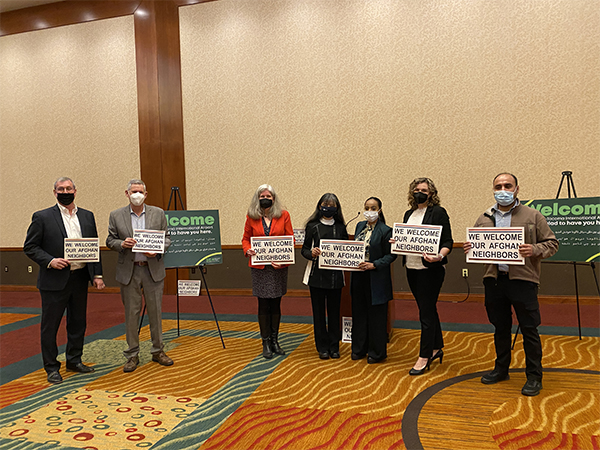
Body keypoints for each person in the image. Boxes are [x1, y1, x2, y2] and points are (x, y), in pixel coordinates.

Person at [463, 173, 558, 396]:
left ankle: (534, 376)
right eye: (498, 186)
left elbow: (552, 243)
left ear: (516, 189)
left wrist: (534, 250)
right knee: (500, 327)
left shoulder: (533, 215)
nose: (503, 189)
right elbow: (477, 244)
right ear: (493, 189)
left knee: (529, 329)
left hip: (523, 281)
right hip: (494, 281)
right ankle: (501, 369)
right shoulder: (484, 217)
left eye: (508, 185)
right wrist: (471, 248)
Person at [24, 177, 105, 384]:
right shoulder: (42, 217)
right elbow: (30, 247)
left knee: (78, 323)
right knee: (50, 326)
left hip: (79, 278)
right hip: (53, 280)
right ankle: (51, 367)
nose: (65, 191)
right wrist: (50, 261)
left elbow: (93, 247)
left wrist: (97, 275)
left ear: (75, 191)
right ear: (54, 192)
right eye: (61, 189)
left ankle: (74, 360)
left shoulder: (87, 216)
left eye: (69, 188)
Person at [106, 179, 173, 373]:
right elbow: (110, 240)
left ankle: (158, 351)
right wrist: (121, 244)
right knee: (131, 315)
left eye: (140, 191)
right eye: (133, 191)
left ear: (146, 194)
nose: (137, 194)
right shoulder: (116, 215)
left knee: (156, 313)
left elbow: (167, 238)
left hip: (152, 269)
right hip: (129, 270)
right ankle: (132, 355)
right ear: (127, 194)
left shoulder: (158, 213)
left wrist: (158, 250)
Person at [401, 178, 453, 375]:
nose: (419, 192)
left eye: (424, 190)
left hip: (431, 270)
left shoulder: (438, 212)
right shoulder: (409, 213)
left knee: (425, 312)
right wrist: (398, 241)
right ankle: (436, 346)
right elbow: (408, 238)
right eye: (416, 189)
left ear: (431, 193)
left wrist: (439, 255)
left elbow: (447, 240)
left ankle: (424, 356)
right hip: (411, 268)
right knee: (428, 308)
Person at [242, 184, 293, 359]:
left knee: (276, 304)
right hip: (260, 268)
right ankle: (265, 342)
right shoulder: (251, 217)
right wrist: (247, 250)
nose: (266, 199)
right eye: (262, 196)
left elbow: (290, 239)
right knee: (263, 304)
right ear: (257, 199)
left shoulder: (284, 215)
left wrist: (283, 259)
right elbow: (245, 239)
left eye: (269, 196)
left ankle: (275, 340)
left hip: (278, 268)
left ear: (274, 198)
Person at [301, 193, 349, 359]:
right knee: (319, 313)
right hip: (316, 276)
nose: (328, 207)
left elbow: (345, 251)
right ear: (319, 205)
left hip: (336, 277)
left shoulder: (342, 227)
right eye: (325, 204)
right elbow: (304, 249)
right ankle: (322, 347)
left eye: (331, 205)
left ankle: (334, 346)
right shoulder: (312, 226)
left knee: (334, 313)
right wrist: (312, 253)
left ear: (337, 208)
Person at [351, 197, 397, 364]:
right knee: (359, 313)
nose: (369, 211)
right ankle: (359, 349)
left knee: (376, 316)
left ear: (379, 210)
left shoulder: (386, 230)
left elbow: (391, 255)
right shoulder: (358, 226)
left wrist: (374, 265)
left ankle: (376, 352)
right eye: (367, 207)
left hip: (376, 278)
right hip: (358, 277)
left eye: (373, 208)